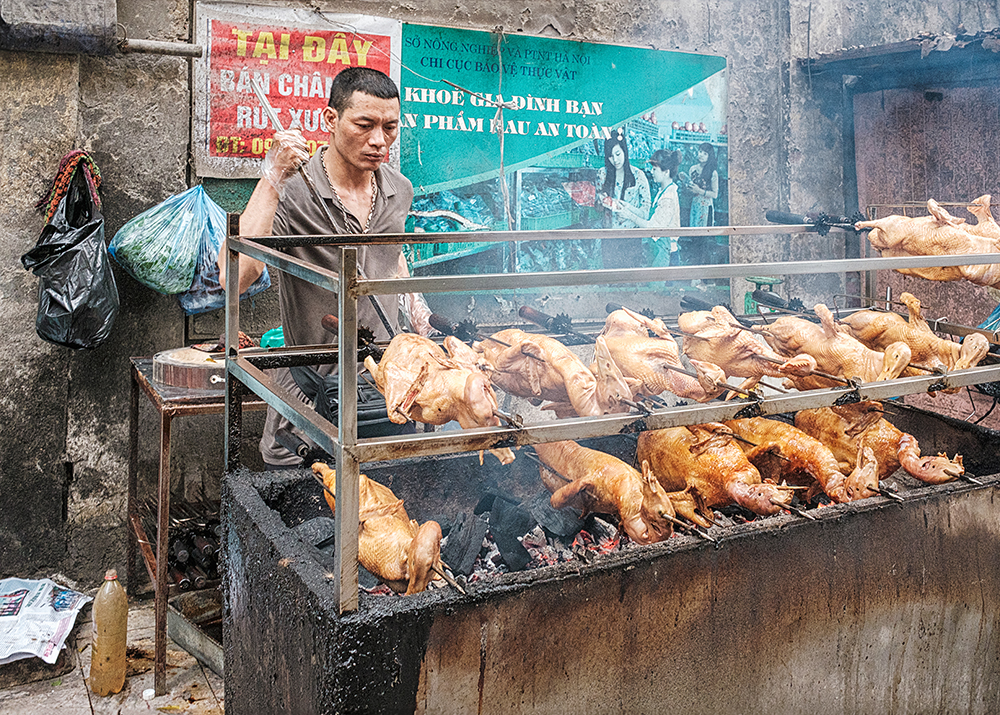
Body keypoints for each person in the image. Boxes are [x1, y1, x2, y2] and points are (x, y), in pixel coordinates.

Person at [220, 67, 430, 468]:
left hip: (382, 386)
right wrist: (272, 178)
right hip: (309, 391)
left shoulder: (398, 189)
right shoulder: (294, 190)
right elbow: (235, 278)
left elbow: (392, 259)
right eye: (364, 125)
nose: (378, 140)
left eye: (390, 127)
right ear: (330, 119)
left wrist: (418, 311)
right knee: (309, 489)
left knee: (388, 490)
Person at [611, 149, 681, 267]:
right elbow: (650, 218)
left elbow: (652, 227)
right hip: (659, 249)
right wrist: (628, 206)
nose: (652, 172)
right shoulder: (664, 191)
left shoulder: (668, 198)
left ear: (666, 172)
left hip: (666, 253)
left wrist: (629, 215)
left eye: (655, 169)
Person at [595, 128, 650, 268]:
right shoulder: (602, 174)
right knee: (610, 275)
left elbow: (645, 213)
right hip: (609, 238)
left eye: (618, 154)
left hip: (631, 238)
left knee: (629, 277)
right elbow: (597, 209)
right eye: (610, 156)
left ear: (625, 150)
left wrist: (628, 212)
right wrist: (600, 201)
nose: (615, 160)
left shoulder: (638, 176)